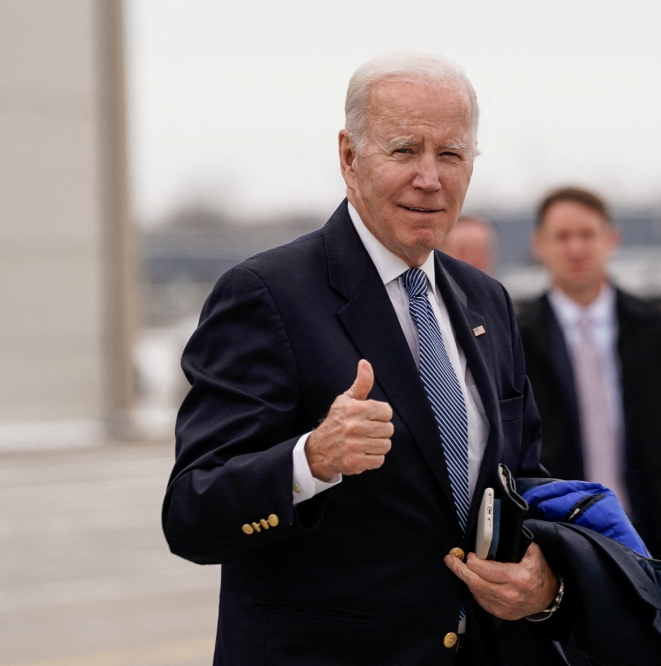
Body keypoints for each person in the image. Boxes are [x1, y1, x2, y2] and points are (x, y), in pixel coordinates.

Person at [162, 54, 561, 665]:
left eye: (451, 155)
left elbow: (523, 481)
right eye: (405, 151)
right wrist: (311, 460)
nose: (430, 178)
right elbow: (192, 511)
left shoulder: (487, 301)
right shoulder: (266, 295)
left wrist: (543, 581)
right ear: (350, 157)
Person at [517, 187, 661, 623]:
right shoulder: (515, 340)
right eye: (562, 236)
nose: (576, 247)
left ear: (612, 239)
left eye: (588, 234)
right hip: (562, 553)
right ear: (539, 245)